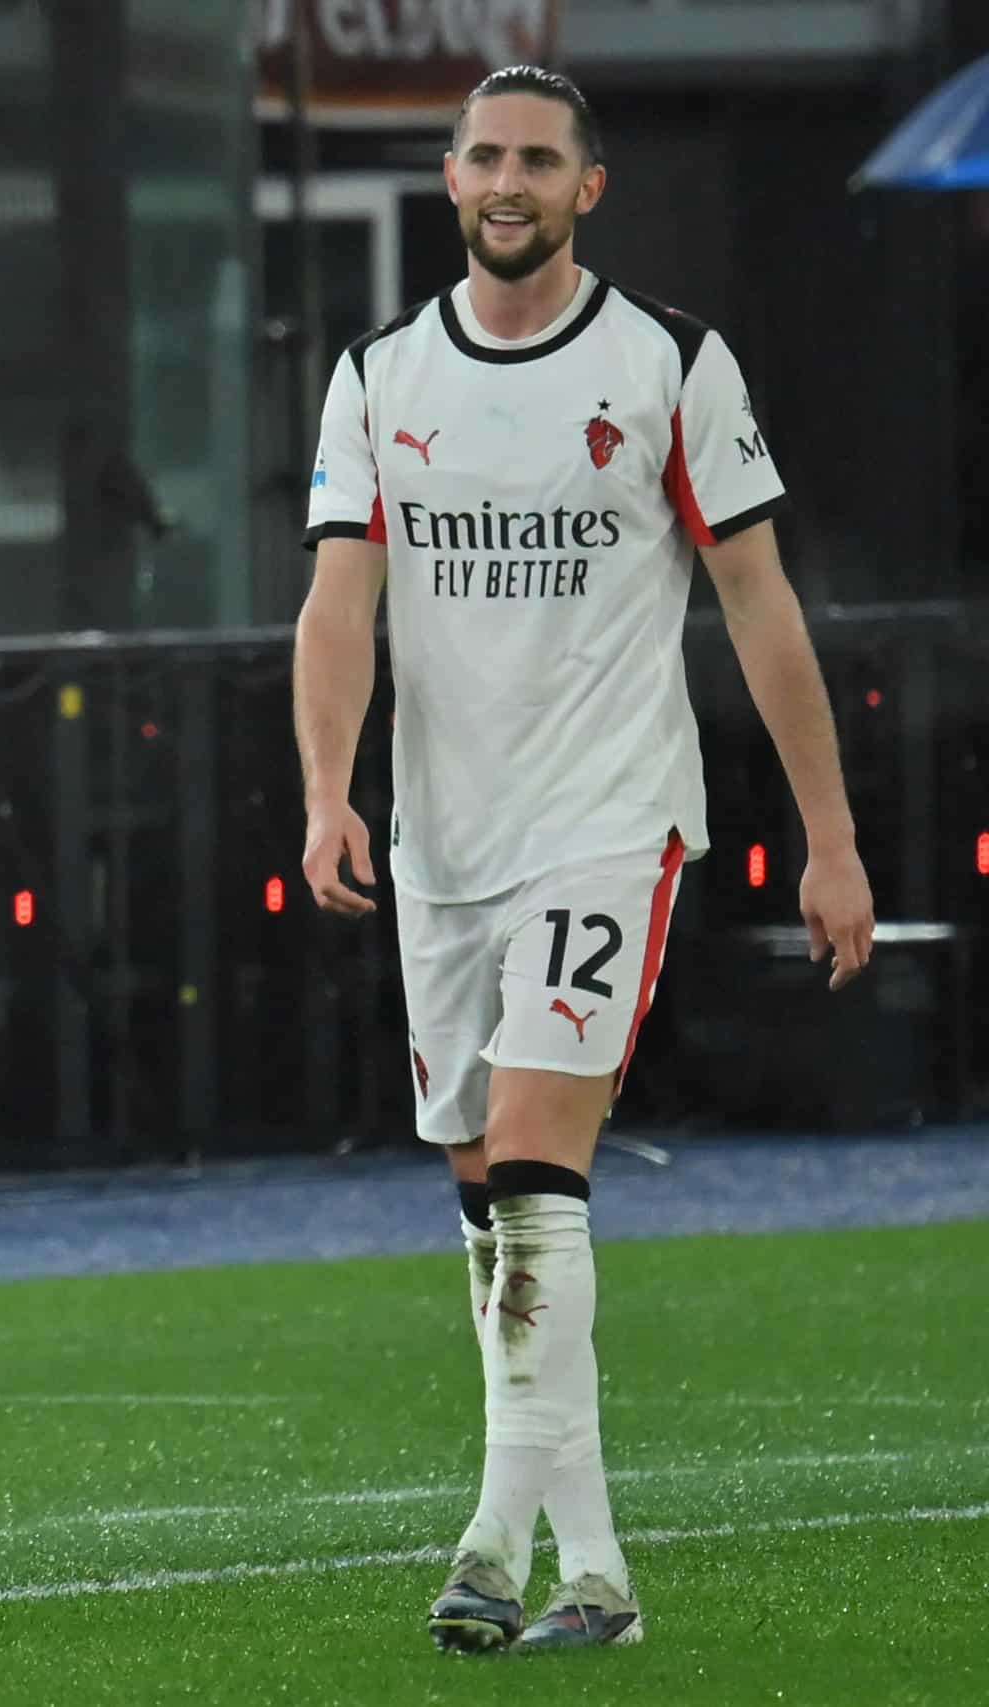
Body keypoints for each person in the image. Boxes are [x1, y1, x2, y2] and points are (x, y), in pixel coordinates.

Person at [293, 67, 875, 1654]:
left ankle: (488, 1540)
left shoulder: (668, 363)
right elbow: (340, 599)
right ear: (448, 173)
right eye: (483, 152)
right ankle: (598, 1574)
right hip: (446, 840)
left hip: (609, 819)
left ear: (589, 188)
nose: (507, 178)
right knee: (492, 1210)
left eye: (538, 157)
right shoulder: (379, 373)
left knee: (543, 1174)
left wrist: (832, 837)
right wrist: (327, 793)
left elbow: (760, 602)